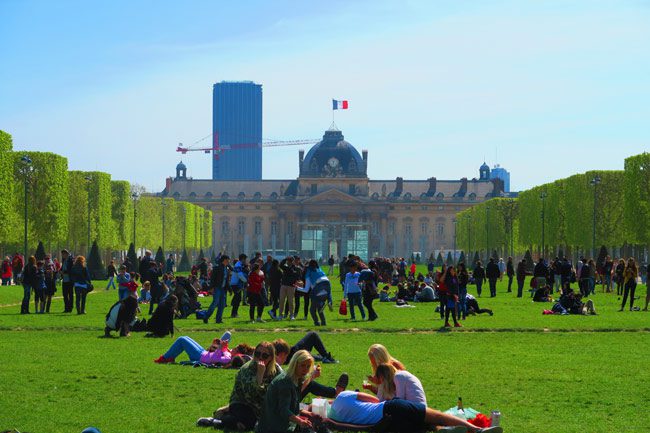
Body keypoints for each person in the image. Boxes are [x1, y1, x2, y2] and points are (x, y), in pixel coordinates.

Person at [327, 391, 503, 433]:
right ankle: (477, 429)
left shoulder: (336, 416)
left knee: (426, 426)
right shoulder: (343, 395)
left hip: (386, 425)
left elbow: (354, 426)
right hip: (389, 407)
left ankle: (446, 431)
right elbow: (375, 400)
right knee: (436, 415)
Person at [197, 342, 280, 431]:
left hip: (264, 407)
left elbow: (284, 386)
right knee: (248, 421)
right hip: (244, 404)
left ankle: (222, 419)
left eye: (265, 356)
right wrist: (260, 375)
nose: (260, 357)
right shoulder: (246, 369)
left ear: (271, 358)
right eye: (257, 354)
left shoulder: (276, 370)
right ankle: (220, 421)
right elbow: (252, 395)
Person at [256, 350, 316, 433]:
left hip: (283, 423)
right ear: (295, 364)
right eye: (302, 365)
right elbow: (284, 410)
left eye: (308, 366)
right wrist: (300, 421)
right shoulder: (285, 382)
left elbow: (293, 405)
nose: (305, 370)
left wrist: (307, 413)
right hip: (273, 427)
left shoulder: (297, 378)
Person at [154, 331, 232, 364]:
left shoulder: (228, 358)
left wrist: (221, 348)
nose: (234, 348)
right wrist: (224, 348)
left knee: (182, 339)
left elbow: (214, 357)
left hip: (199, 356)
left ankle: (165, 358)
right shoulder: (229, 353)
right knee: (185, 337)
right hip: (203, 353)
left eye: (236, 348)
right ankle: (170, 357)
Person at [274, 331, 338, 365]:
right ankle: (326, 356)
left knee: (312, 357)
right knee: (313, 335)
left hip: (292, 355)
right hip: (293, 353)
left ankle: (323, 357)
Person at [304, 260, 333, 326]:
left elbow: (306, 289)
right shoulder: (319, 268)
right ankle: (329, 301)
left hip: (319, 285)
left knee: (312, 309)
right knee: (320, 306)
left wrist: (297, 287)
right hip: (327, 282)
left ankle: (316, 323)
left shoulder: (308, 271)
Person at [204, 254, 231, 324]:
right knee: (215, 303)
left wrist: (230, 289)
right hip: (217, 288)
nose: (228, 262)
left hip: (223, 289)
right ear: (224, 260)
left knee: (222, 304)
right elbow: (213, 279)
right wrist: (211, 288)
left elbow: (226, 280)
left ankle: (218, 319)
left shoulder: (226, 268)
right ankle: (206, 316)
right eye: (228, 260)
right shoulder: (217, 268)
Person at [230, 254, 249, 318]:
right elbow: (240, 275)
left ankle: (234, 313)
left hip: (236, 284)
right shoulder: (238, 265)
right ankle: (234, 313)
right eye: (245, 259)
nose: (246, 260)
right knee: (237, 299)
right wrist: (246, 281)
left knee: (237, 299)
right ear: (243, 259)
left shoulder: (240, 265)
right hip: (235, 284)